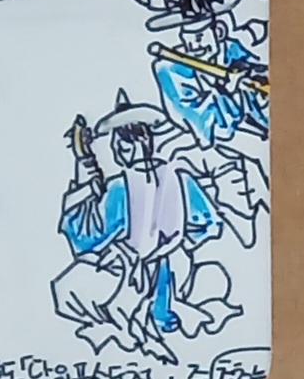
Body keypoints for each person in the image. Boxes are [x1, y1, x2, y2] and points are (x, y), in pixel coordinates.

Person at [51, 95, 254, 363]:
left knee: (67, 288)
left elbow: (86, 236)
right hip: (172, 272)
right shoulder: (180, 177)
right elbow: (208, 224)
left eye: (120, 143)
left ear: (133, 143)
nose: (116, 150)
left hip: (129, 275)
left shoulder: (120, 187)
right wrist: (175, 245)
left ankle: (129, 332)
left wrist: (85, 166)